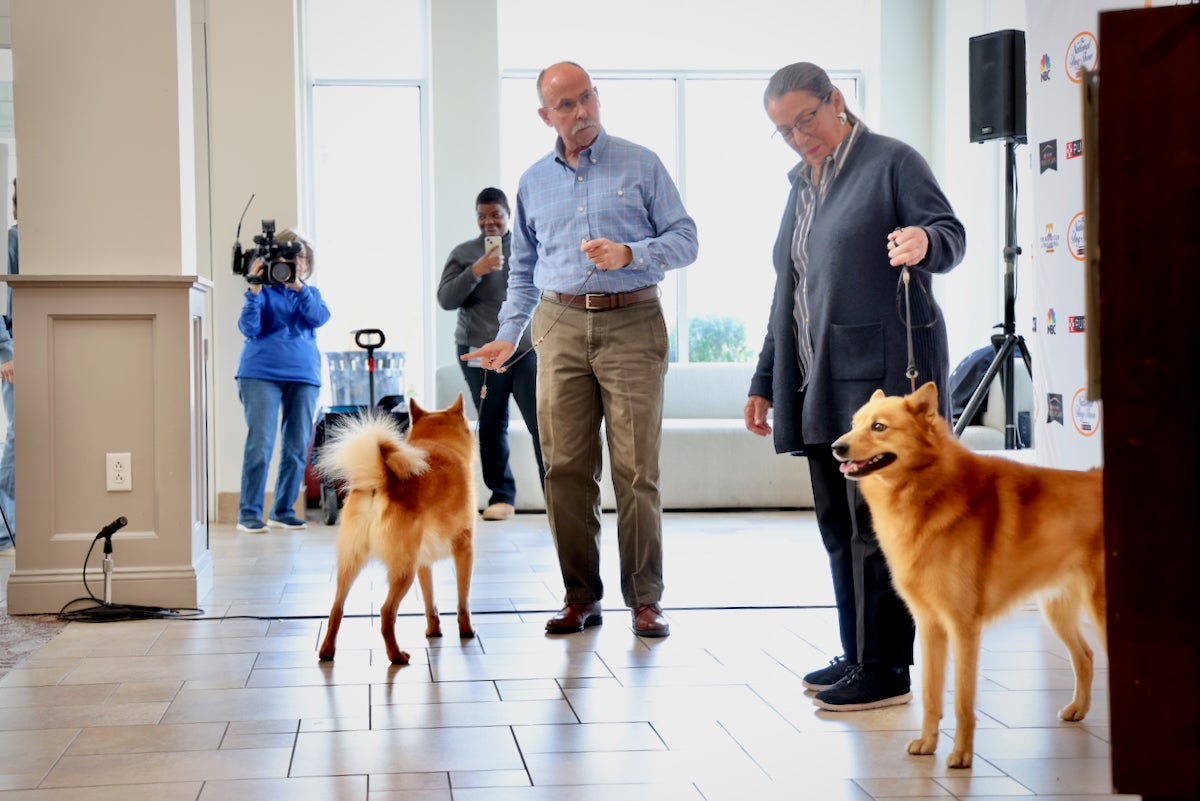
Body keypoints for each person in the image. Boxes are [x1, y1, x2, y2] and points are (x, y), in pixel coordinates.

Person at [744, 62, 966, 710]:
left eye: (805, 119)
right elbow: (789, 293)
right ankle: (858, 652)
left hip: (878, 383)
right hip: (816, 381)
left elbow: (950, 236)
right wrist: (765, 378)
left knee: (879, 528)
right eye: (785, 131)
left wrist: (924, 240)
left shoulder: (891, 162)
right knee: (839, 526)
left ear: (836, 100)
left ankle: (887, 667)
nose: (798, 137)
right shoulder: (800, 187)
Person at [463, 61, 698, 638]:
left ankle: (645, 599)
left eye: (587, 97)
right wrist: (508, 335)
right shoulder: (531, 182)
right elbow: (523, 273)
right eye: (566, 105)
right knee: (564, 466)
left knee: (636, 469)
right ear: (546, 116)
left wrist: (631, 253)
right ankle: (580, 596)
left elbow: (686, 239)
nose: (582, 111)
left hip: (633, 320)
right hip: (558, 324)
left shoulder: (641, 163)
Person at [438, 187, 545, 522]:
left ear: (508, 214)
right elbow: (446, 299)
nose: (489, 222)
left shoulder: (529, 248)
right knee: (492, 423)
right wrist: (476, 271)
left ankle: (556, 496)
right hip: (478, 348)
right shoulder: (464, 253)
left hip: (525, 349)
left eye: (496, 215)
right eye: (482, 216)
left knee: (541, 421)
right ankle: (501, 496)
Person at [235, 228, 331, 533]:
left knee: (297, 445)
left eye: (301, 257)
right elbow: (249, 328)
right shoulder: (261, 291)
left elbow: (318, 318)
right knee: (260, 443)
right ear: (273, 259)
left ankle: (282, 511)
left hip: (303, 375)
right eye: (289, 257)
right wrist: (254, 290)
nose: (296, 262)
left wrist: (298, 288)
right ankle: (249, 513)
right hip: (260, 373)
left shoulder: (310, 293)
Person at [0, 178, 17, 548]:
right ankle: (3, 531)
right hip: (16, 348)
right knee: (20, 437)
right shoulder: (12, 239)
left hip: (38, 340)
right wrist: (5, 350)